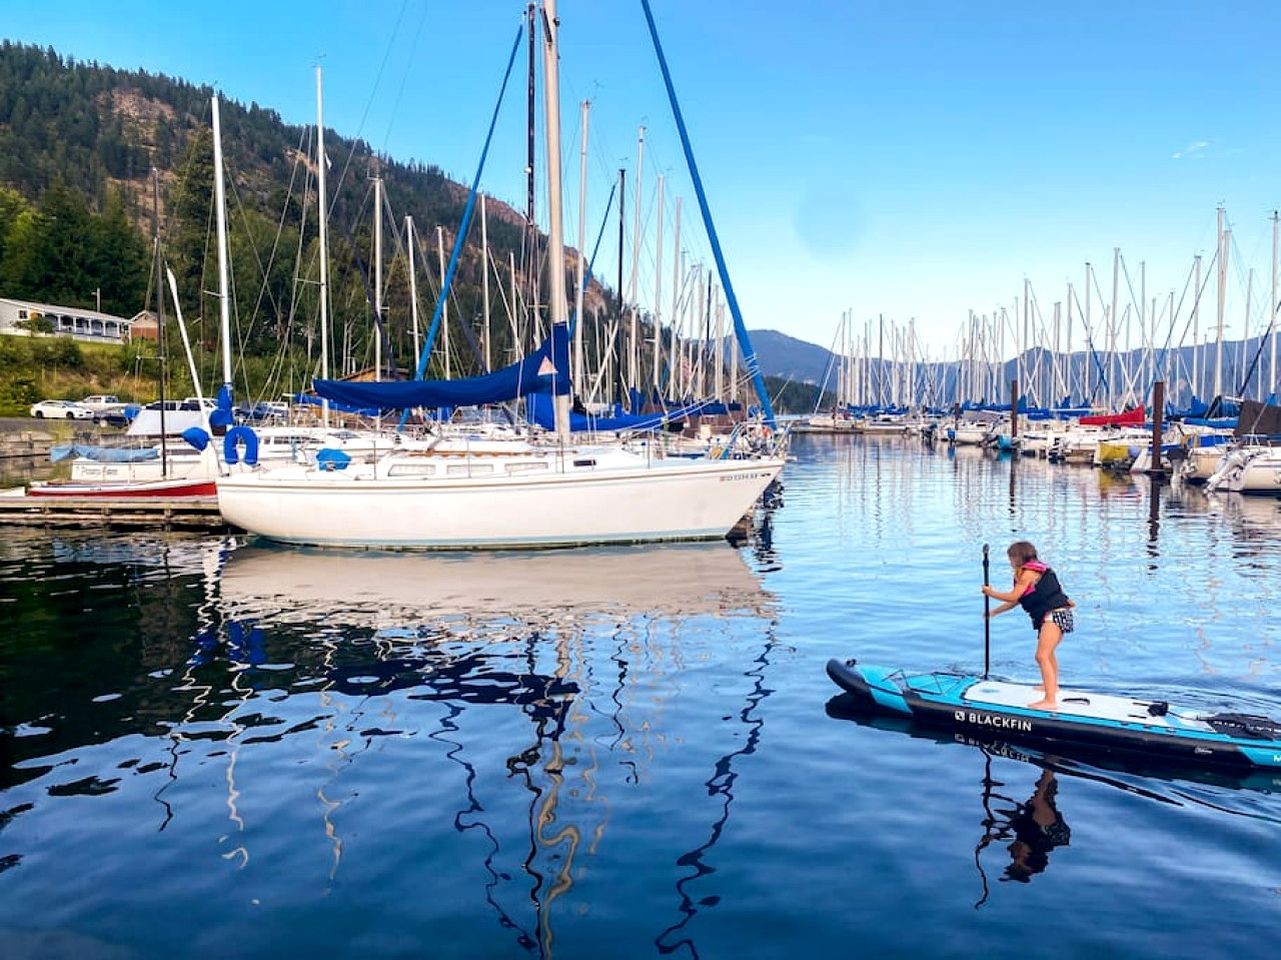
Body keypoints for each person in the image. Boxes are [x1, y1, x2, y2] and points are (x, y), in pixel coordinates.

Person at [981, 540, 1075, 710]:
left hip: (1055, 615)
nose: (1010, 561)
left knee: (1042, 655)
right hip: (1052, 615)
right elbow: (1017, 600)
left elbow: (1012, 596)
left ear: (1018, 557)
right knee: (1048, 654)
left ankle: (1050, 700)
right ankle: (1051, 687)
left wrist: (990, 592)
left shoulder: (1029, 572)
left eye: (1011, 558)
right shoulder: (1025, 574)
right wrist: (994, 612)